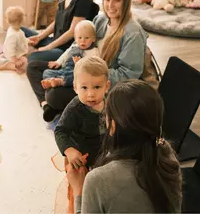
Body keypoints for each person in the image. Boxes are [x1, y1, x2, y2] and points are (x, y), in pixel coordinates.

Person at [27, 0, 149, 122]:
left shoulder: (133, 33)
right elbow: (78, 42)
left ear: (126, 2)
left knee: (54, 95)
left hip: (98, 84)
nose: (110, 5)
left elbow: (128, 75)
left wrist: (90, 73)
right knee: (33, 68)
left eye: (117, 1)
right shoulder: (101, 19)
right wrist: (62, 61)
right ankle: (47, 106)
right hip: (80, 67)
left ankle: (53, 103)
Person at [67, 79, 182, 213]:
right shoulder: (167, 155)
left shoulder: (98, 180)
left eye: (106, 116)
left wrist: (78, 190)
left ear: (113, 126)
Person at [55, 56, 110, 167]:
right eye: (84, 88)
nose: (90, 94)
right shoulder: (74, 108)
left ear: (106, 87)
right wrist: (69, 150)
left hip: (106, 149)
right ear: (75, 87)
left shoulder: (111, 101)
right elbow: (60, 131)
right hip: (82, 154)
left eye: (97, 87)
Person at [41, 20, 99, 89]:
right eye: (79, 38)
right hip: (64, 69)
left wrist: (79, 63)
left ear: (93, 39)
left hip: (77, 72)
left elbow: (93, 67)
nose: (83, 41)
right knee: (47, 72)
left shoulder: (93, 51)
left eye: (87, 38)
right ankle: (52, 81)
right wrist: (58, 62)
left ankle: (60, 81)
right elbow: (66, 53)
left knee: (76, 77)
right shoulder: (74, 45)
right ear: (75, 38)